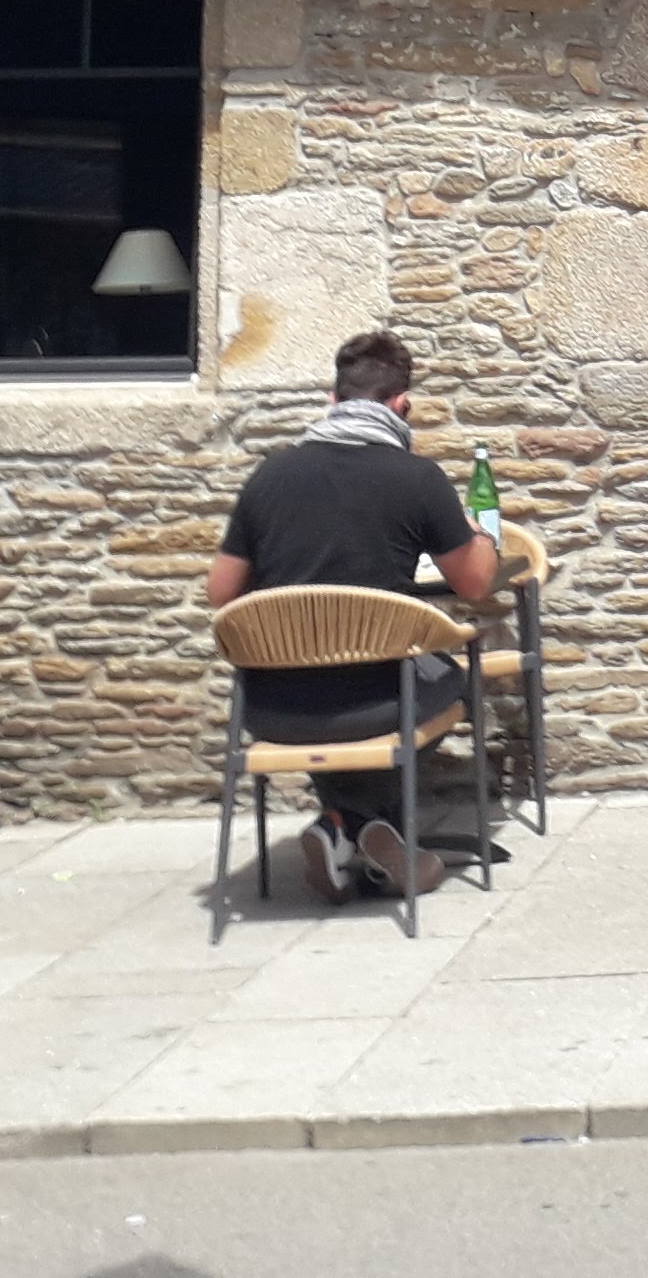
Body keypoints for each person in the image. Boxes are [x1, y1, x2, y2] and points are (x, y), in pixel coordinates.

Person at [205, 327, 498, 903]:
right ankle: (367, 827)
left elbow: (220, 593)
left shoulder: (269, 476)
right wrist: (478, 531)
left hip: (273, 710)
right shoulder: (417, 479)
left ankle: (343, 825)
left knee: (341, 685)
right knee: (453, 677)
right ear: (403, 405)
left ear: (332, 400)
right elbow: (476, 583)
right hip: (378, 705)